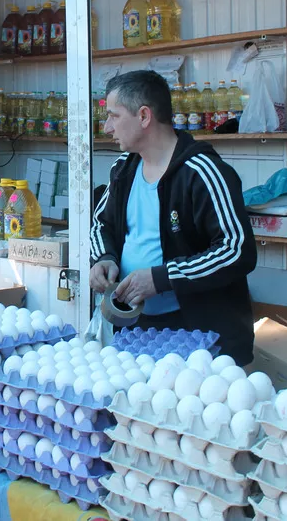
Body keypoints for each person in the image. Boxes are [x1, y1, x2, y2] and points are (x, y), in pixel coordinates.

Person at [89, 70, 257, 365]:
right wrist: (104, 258)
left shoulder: (203, 173)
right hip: (138, 328)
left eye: (114, 116)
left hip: (200, 336)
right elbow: (101, 223)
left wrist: (161, 278)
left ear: (144, 116)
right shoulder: (124, 169)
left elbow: (236, 250)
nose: (107, 127)